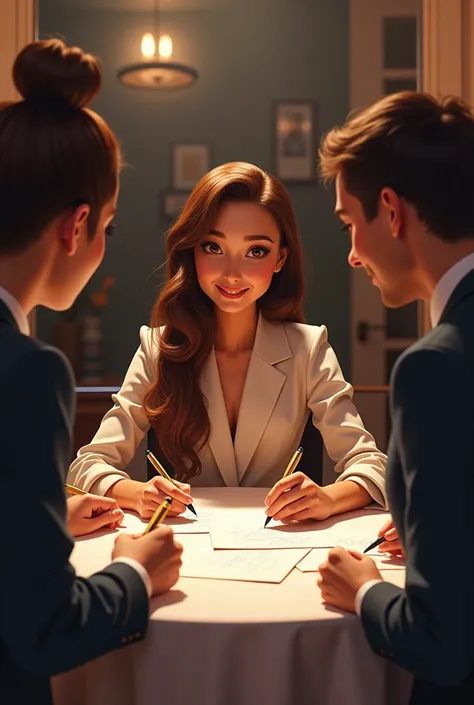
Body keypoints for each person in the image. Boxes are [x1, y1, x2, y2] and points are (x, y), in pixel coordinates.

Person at [0, 39, 182, 705]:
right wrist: (135, 572)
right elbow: (43, 629)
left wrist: (43, 515)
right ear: (76, 226)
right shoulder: (27, 370)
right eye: (107, 224)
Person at [68, 161, 387, 523]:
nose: (232, 273)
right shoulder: (157, 349)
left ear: (281, 258)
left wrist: (328, 498)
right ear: (191, 250)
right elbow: (88, 465)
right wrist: (139, 492)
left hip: (278, 550)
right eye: (213, 247)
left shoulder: (308, 348)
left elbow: (371, 465)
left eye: (256, 251)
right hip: (181, 550)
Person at [316, 91, 474, 704]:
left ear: (391, 210)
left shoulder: (435, 366)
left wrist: (362, 589)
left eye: (350, 225)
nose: (353, 254)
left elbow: (441, 641)